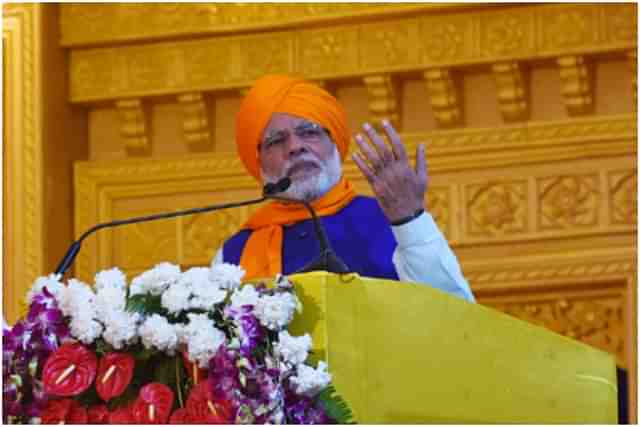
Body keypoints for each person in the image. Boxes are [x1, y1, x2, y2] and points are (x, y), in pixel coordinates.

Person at [212, 74, 475, 302]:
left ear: (335, 143)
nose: (294, 147)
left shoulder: (390, 219)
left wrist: (410, 219)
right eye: (276, 141)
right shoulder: (232, 255)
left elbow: (455, 311)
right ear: (258, 161)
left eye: (310, 132)